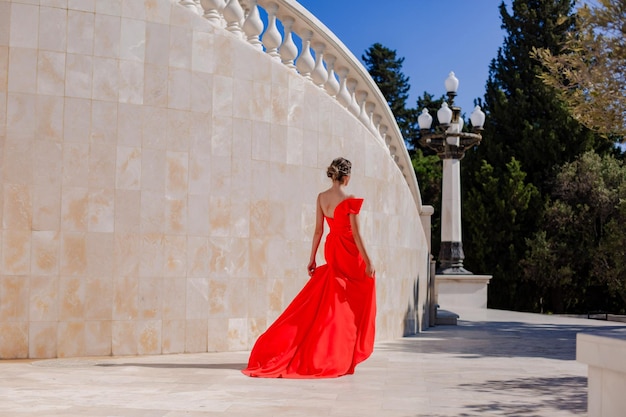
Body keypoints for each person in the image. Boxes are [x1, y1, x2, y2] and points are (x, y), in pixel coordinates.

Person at [242, 157, 376, 378]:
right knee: (355, 298)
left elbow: (318, 231)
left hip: (333, 248)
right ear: (347, 177)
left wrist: (312, 258)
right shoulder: (350, 199)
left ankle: (334, 349)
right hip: (350, 252)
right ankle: (338, 352)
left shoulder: (321, 198)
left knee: (336, 299)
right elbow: (358, 234)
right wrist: (369, 261)